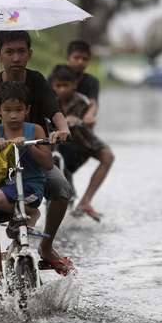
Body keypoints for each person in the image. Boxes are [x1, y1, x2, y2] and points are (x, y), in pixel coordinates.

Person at [0, 31, 73, 285]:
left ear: (29, 54)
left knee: (61, 188)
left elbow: (55, 110)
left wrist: (63, 129)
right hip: (1, 163)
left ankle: (47, 249)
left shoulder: (37, 80)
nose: (16, 57)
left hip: (34, 156)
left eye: (21, 51)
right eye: (9, 52)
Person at [0, 82, 54, 297]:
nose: (13, 115)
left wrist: (29, 145)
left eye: (18, 110)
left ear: (27, 110)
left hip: (30, 186)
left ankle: (31, 213)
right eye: (8, 110)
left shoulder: (36, 130)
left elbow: (48, 164)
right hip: (8, 186)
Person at [49, 64, 114, 221]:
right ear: (52, 85)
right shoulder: (49, 101)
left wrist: (79, 120)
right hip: (57, 144)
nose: (62, 89)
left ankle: (85, 201)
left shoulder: (81, 102)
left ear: (75, 85)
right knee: (56, 163)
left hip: (82, 140)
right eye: (58, 85)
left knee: (108, 156)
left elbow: (90, 122)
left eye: (66, 85)